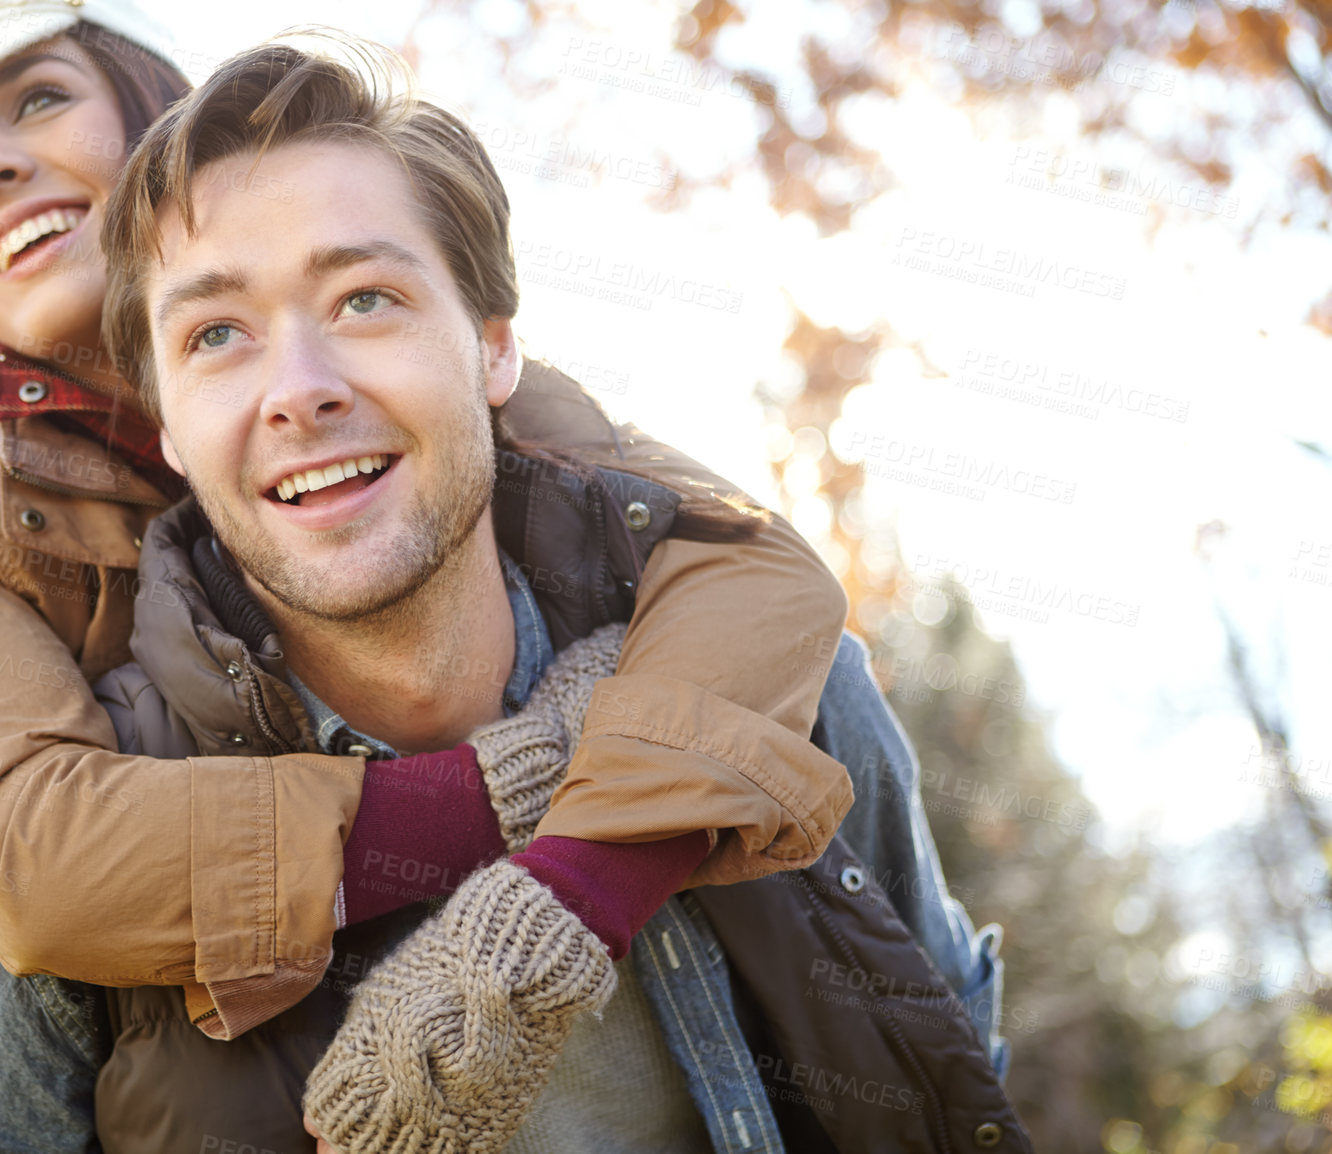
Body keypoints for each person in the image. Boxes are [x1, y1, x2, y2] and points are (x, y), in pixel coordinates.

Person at [0, 0, 877, 1146]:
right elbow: (27, 855)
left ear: (147, 98)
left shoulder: (431, 354)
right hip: (167, 956)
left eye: (37, 98)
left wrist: (572, 881)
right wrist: (505, 788)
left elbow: (744, 561)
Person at [69, 35, 1026, 1153]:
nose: (301, 391)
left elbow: (949, 1059)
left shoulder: (795, 698)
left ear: (493, 349)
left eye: (364, 298)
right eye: (216, 334)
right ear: (170, 433)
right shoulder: (97, 839)